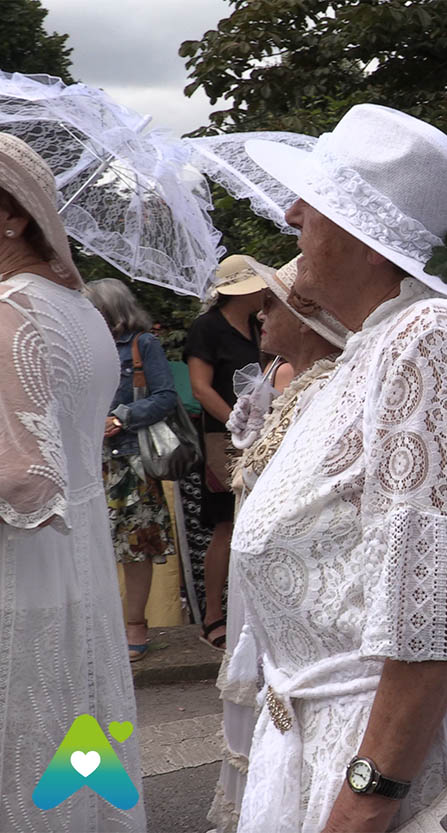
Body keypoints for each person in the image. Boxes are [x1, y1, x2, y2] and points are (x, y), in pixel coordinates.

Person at [232, 103, 447, 832]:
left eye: (318, 204)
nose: (292, 212)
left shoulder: (430, 336)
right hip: (319, 748)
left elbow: (433, 614)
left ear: (371, 240)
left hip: (369, 769)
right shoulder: (377, 343)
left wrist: (365, 800)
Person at [0, 133, 145, 830]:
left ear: (13, 215)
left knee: (24, 752)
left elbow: (24, 479)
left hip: (19, 572)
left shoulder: (11, 310)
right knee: (73, 743)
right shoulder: (79, 308)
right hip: (78, 562)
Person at [209, 255, 349, 833]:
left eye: (270, 303)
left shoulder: (326, 391)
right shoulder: (289, 385)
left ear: (305, 312)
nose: (259, 314)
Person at [84, 278, 178, 662]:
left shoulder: (143, 344)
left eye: (92, 308)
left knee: (136, 547)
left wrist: (122, 418)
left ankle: (135, 623)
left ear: (109, 310)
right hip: (89, 462)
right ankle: (102, 628)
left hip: (131, 463)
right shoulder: (81, 348)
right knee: (92, 548)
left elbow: (166, 397)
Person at [185, 255, 266, 651]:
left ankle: (246, 610)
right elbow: (200, 388)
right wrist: (238, 423)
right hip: (223, 438)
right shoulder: (208, 328)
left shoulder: (257, 325)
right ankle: (212, 614)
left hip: (260, 433)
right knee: (225, 525)